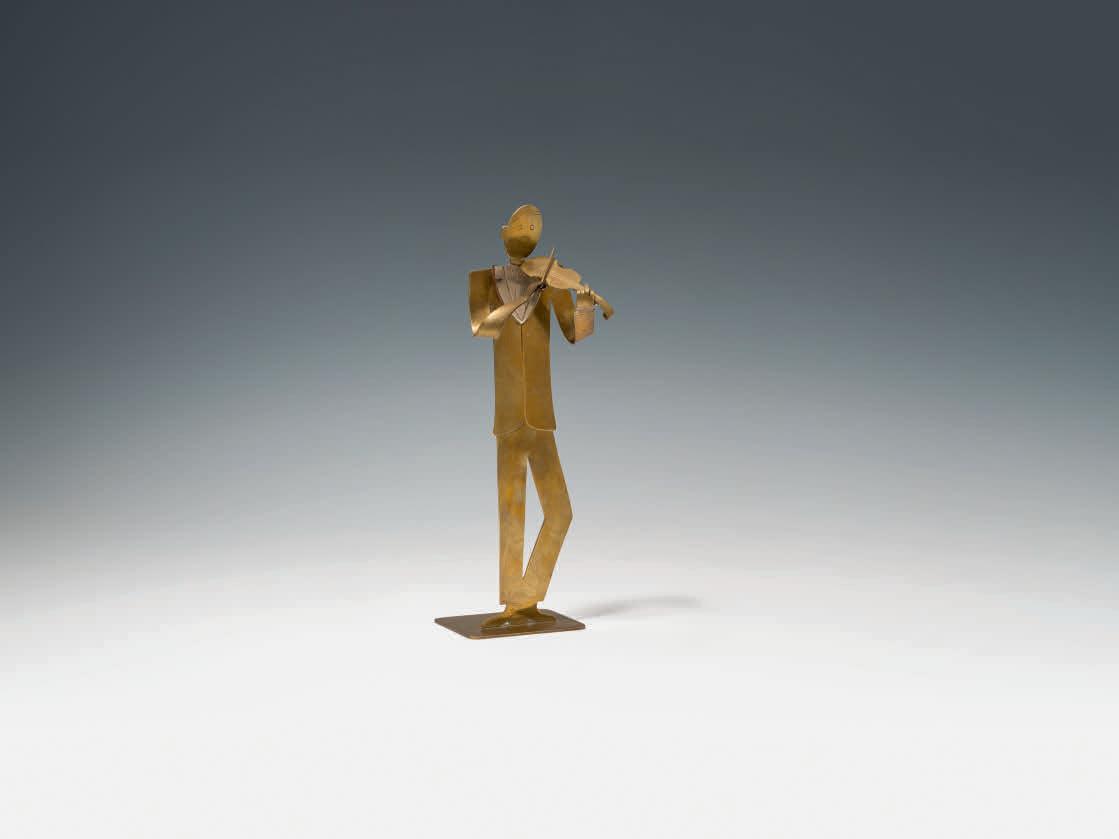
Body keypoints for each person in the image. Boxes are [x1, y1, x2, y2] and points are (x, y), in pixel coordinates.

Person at [467, 204, 602, 628]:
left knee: (560, 511)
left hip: (541, 416)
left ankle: (526, 596)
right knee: (511, 513)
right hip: (508, 416)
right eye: (520, 226)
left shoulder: (550, 282)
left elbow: (575, 334)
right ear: (504, 232)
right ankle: (514, 604)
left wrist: (584, 302)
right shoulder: (483, 279)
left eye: (533, 228)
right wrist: (522, 299)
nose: (526, 234)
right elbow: (482, 327)